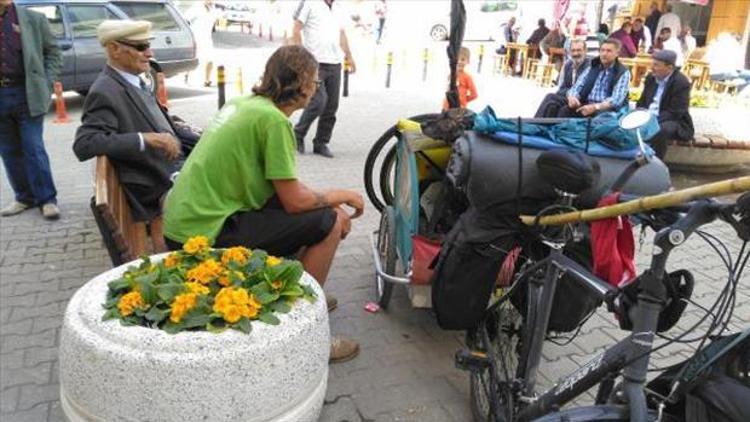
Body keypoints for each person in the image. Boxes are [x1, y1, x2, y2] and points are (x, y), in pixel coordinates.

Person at [162, 45, 365, 363]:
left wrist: (326, 203)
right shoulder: (274, 122)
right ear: (300, 84)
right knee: (330, 222)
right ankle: (304, 333)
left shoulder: (246, 103)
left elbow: (285, 190)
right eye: (315, 81)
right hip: (205, 232)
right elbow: (295, 202)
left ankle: (301, 294)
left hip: (187, 221)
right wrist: (344, 195)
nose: (317, 88)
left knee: (326, 214)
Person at [73, 20, 182, 224]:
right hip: (160, 184)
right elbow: (84, 144)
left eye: (148, 45)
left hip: (173, 168)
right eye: (141, 47)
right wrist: (145, 139)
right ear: (114, 49)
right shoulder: (105, 90)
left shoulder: (133, 79)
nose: (149, 53)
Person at [0, 0, 61, 219]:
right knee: (8, 151)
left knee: (33, 147)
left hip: (27, 93)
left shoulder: (33, 19)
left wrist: (45, 83)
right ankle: (24, 198)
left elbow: (53, 52)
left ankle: (47, 200)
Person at [292, 0, 356, 158]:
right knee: (318, 102)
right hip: (315, 64)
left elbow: (342, 35)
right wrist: (302, 57)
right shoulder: (309, 3)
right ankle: (297, 135)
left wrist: (349, 56)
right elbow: (296, 29)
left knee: (331, 106)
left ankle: (321, 143)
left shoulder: (339, 7)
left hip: (335, 63)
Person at [636, 50, 694, 159]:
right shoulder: (651, 78)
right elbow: (642, 102)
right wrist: (640, 115)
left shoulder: (681, 82)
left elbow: (676, 112)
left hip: (672, 120)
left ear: (670, 68)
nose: (652, 68)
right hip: (648, 116)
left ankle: (655, 161)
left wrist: (651, 120)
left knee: (659, 130)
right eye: (652, 64)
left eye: (656, 65)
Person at [557, 38, 631, 118]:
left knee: (600, 118)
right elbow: (577, 86)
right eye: (602, 50)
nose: (604, 54)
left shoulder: (622, 72)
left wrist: (595, 107)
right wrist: (572, 97)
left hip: (605, 109)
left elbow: (616, 101)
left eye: (609, 51)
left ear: (617, 54)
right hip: (586, 104)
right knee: (564, 111)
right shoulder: (593, 66)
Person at [534, 39, 590, 117]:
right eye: (573, 51)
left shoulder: (589, 66)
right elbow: (561, 88)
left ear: (585, 51)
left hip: (581, 100)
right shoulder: (568, 65)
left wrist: (569, 94)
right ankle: (541, 127)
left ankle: (533, 125)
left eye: (579, 50)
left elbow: (585, 89)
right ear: (570, 52)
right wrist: (568, 94)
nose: (576, 53)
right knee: (551, 106)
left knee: (550, 97)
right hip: (568, 97)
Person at [185, 0, 219, 87]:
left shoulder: (213, 9)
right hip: (196, 37)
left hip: (207, 38)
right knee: (194, 58)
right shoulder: (196, 7)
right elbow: (185, 19)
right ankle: (187, 74)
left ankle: (207, 80)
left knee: (210, 58)